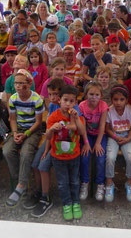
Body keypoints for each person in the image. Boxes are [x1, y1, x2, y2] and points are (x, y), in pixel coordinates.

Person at [4, 69, 44, 207]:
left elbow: (39, 122)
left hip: (33, 130)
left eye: (22, 83)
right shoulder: (13, 99)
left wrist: (26, 134)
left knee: (26, 153)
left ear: (29, 83)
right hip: (19, 128)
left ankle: (21, 185)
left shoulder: (36, 99)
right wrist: (15, 133)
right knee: (7, 150)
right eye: (16, 83)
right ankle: (20, 182)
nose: (18, 86)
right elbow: (13, 119)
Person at [46, 84, 86, 221]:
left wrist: (75, 118)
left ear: (76, 103)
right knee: (63, 182)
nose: (68, 104)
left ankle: (76, 203)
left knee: (74, 181)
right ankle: (67, 204)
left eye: (71, 101)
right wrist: (52, 129)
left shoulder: (76, 115)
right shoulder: (53, 116)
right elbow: (47, 136)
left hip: (74, 155)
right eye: (65, 100)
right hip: (58, 157)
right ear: (59, 100)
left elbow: (81, 131)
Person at [104, 84, 131, 203]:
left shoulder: (129, 110)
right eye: (115, 99)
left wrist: (129, 138)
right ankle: (109, 182)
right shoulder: (109, 111)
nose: (118, 102)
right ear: (111, 99)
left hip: (126, 136)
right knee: (110, 157)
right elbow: (107, 128)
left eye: (122, 99)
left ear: (126, 100)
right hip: (114, 136)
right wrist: (115, 136)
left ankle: (130, 182)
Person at [78, 81, 109, 202]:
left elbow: (102, 127)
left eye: (97, 94)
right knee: (85, 157)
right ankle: (84, 182)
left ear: (101, 95)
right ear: (86, 95)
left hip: (99, 136)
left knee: (100, 158)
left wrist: (97, 143)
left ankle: (100, 184)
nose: (94, 97)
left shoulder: (103, 106)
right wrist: (86, 143)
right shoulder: (82, 106)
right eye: (91, 94)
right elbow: (83, 126)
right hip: (87, 135)